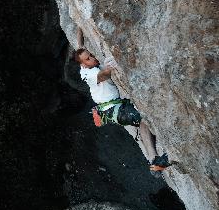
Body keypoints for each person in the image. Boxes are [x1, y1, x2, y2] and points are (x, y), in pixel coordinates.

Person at [72, 30, 169, 175]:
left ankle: (153, 161)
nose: (92, 57)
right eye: (88, 58)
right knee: (143, 118)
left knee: (141, 122)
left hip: (116, 107)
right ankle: (153, 160)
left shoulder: (84, 62)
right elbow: (103, 75)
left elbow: (79, 45)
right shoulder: (88, 73)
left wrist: (80, 28)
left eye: (90, 55)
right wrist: (109, 67)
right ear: (84, 65)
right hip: (114, 110)